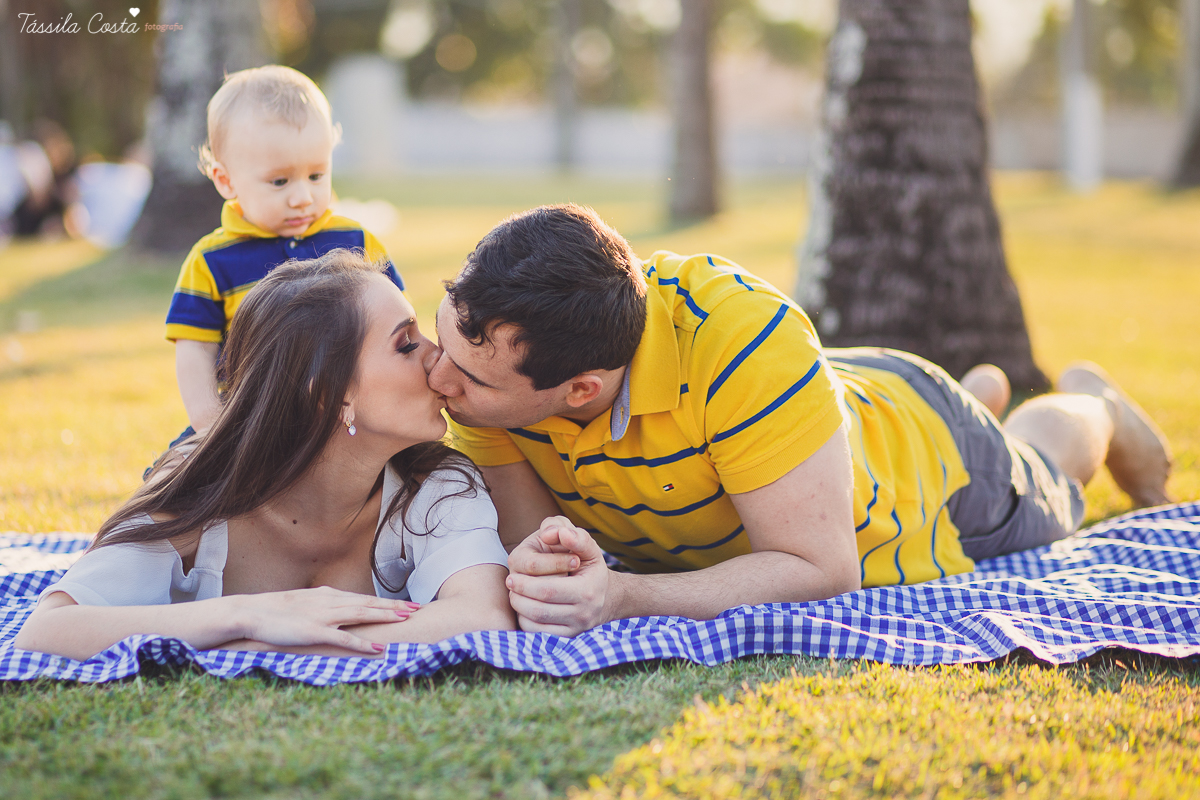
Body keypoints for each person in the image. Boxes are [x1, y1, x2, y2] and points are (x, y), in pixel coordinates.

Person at [429, 204, 1173, 638]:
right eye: (443, 342)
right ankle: (983, 389)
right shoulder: (497, 356)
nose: (437, 376)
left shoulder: (742, 347)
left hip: (925, 459)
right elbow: (534, 552)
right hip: (802, 409)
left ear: (582, 387)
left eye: (466, 375)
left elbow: (823, 570)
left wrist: (625, 595)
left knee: (1039, 472)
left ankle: (1091, 405)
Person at [15, 251, 514, 660]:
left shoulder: (437, 485)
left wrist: (266, 647)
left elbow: (482, 616)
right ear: (330, 394)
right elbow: (50, 630)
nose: (438, 356)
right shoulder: (202, 492)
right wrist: (249, 616)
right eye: (406, 344)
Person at [165, 65, 401, 441]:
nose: (302, 197)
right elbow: (194, 352)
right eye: (280, 181)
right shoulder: (211, 261)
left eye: (316, 176)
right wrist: (211, 424)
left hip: (347, 419)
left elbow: (395, 329)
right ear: (226, 181)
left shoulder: (356, 242)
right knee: (173, 477)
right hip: (248, 423)